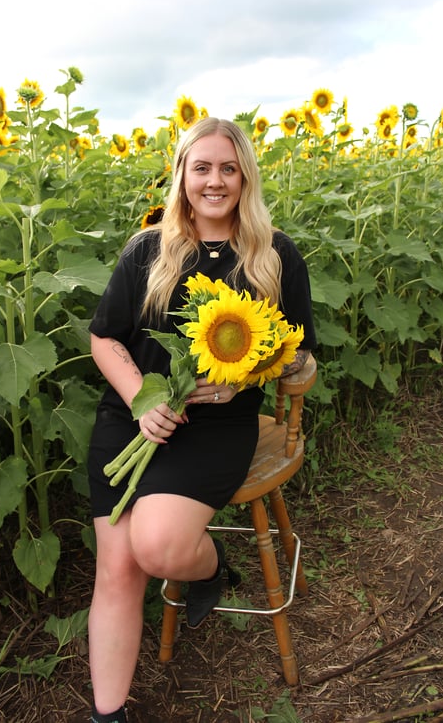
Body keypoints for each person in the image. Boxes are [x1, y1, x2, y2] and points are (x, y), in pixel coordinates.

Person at [87, 117, 316, 723]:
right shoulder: (148, 249)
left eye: (228, 169)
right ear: (182, 175)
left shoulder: (274, 256)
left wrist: (249, 371)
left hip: (215, 429)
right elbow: (104, 337)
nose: (215, 181)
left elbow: (300, 351)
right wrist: (141, 400)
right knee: (118, 566)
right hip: (132, 417)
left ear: (245, 177)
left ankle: (210, 567)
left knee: (158, 547)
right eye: (202, 168)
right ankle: (108, 715)